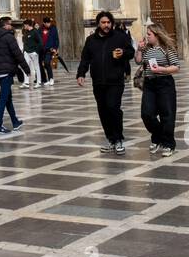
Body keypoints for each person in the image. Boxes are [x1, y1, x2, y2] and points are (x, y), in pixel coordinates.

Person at [76, 10, 135, 154]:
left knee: (113, 108)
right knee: (103, 111)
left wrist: (123, 53)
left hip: (115, 80)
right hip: (98, 82)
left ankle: (119, 139)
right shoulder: (91, 40)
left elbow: (131, 52)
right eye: (103, 22)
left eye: (109, 22)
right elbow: (85, 58)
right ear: (98, 24)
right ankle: (111, 139)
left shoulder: (120, 37)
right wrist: (81, 74)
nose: (106, 25)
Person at [135, 22, 181, 156]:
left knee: (167, 115)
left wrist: (163, 69)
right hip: (149, 84)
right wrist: (138, 49)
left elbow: (176, 67)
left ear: (157, 35)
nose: (147, 37)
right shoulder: (146, 49)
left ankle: (168, 144)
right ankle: (159, 136)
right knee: (146, 114)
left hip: (164, 83)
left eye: (149, 34)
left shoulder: (167, 49)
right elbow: (138, 61)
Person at [0, 16, 28, 134]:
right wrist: (26, 69)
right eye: (10, 24)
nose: (12, 26)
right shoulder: (9, 37)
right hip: (7, 71)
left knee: (8, 97)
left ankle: (15, 121)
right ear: (6, 25)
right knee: (3, 99)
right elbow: (18, 54)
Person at [38, 16, 60, 85]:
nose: (48, 24)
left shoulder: (53, 28)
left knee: (47, 63)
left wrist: (55, 48)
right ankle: (44, 79)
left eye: (49, 23)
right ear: (44, 23)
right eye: (47, 23)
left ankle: (51, 79)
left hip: (49, 49)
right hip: (42, 49)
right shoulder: (40, 29)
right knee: (40, 64)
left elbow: (56, 39)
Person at [20, 19, 42, 88]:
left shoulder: (35, 32)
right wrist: (24, 51)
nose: (24, 26)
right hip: (26, 52)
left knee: (36, 67)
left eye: (24, 25)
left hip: (33, 52)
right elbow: (25, 43)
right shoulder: (26, 32)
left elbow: (40, 43)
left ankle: (38, 82)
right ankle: (26, 82)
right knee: (25, 66)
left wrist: (36, 51)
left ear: (27, 25)